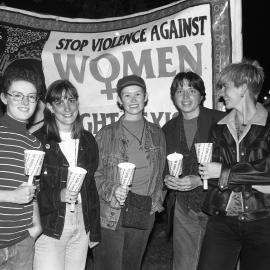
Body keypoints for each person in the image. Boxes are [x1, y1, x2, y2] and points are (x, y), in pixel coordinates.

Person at [197, 59, 270, 270]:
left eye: (225, 86)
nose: (221, 93)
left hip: (262, 219)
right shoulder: (219, 128)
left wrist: (225, 172)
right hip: (223, 218)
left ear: (244, 87)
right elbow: (210, 175)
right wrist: (255, 180)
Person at [93, 74, 166, 270]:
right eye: (127, 95)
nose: (133, 100)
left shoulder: (157, 133)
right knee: (109, 265)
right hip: (112, 209)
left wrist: (157, 199)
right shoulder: (105, 134)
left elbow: (161, 175)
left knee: (132, 265)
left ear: (146, 97)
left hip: (144, 208)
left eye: (138, 94)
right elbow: (95, 175)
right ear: (119, 100)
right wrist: (113, 188)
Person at [33, 79, 101, 270]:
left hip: (81, 222)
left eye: (71, 100)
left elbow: (91, 187)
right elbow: (28, 193)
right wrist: (58, 195)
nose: (67, 107)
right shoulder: (37, 142)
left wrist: (93, 230)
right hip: (50, 224)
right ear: (49, 107)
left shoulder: (88, 140)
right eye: (59, 102)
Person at [162, 71, 225, 270]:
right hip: (184, 208)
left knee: (216, 264)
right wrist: (167, 180)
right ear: (173, 97)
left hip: (217, 206)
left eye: (192, 90)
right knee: (183, 265)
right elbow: (164, 167)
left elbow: (237, 165)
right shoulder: (168, 128)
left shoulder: (222, 121)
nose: (186, 96)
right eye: (180, 91)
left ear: (202, 95)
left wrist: (199, 179)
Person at [0, 61, 43, 269]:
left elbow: (31, 188)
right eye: (17, 95)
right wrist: (10, 196)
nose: (25, 102)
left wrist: (36, 227)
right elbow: (16, 194)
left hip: (22, 242)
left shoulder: (34, 143)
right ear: (3, 97)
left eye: (31, 97)